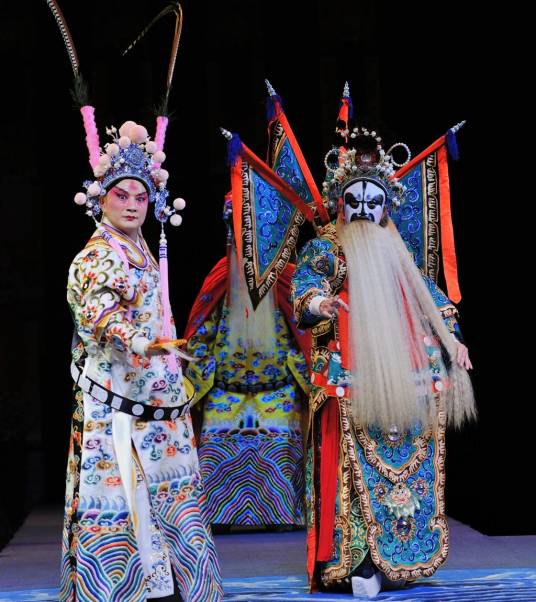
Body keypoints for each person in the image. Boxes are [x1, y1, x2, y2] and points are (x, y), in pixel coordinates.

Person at [290, 117, 476, 597]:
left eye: (374, 202)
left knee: (408, 469)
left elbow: (431, 297)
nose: (364, 211)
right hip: (351, 375)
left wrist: (453, 339)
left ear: (386, 206)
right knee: (354, 472)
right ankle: (357, 561)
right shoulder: (327, 248)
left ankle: (400, 557)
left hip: (408, 375)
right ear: (341, 203)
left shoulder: (399, 250)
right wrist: (320, 303)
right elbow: (305, 286)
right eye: (355, 201)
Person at [62, 116, 223, 601]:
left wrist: (163, 353)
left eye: (141, 197)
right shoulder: (98, 255)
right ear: (101, 200)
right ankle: (124, 586)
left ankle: (167, 583)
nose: (133, 205)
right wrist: (138, 342)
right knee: (125, 491)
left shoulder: (139, 247)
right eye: (121, 196)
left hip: (154, 395)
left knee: (167, 488)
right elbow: (97, 312)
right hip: (118, 400)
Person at [183, 195, 310, 529]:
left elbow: (305, 334)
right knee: (215, 437)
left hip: (278, 394)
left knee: (283, 439)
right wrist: (197, 377)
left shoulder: (288, 278)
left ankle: (282, 514)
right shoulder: (221, 277)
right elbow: (201, 331)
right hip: (225, 393)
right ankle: (218, 516)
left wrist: (304, 375)